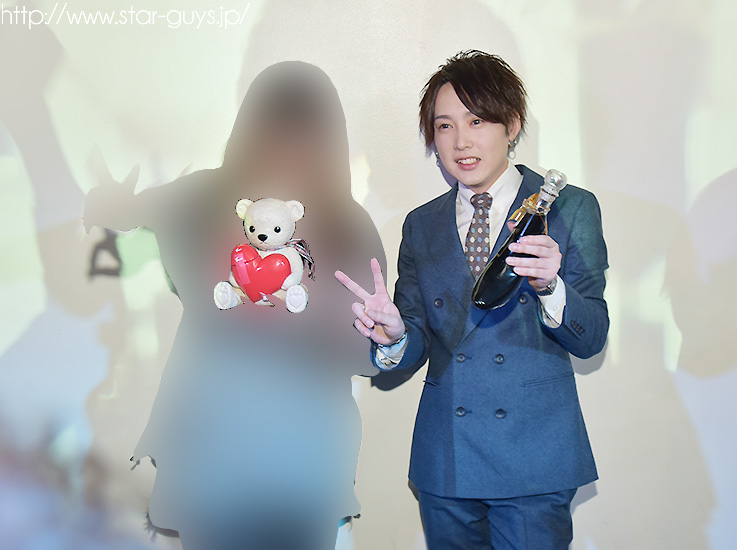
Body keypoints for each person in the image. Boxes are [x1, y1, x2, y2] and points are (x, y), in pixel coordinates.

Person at [84, 61, 383, 550]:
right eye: (273, 130)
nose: (287, 148)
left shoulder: (347, 224)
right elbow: (134, 209)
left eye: (304, 135)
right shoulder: (205, 196)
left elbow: (366, 355)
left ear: (328, 143)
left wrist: (373, 335)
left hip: (304, 463)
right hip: (214, 453)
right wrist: (109, 202)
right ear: (248, 131)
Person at [335, 50, 609, 549]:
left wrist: (552, 287)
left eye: (477, 120)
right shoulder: (421, 224)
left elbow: (592, 337)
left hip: (535, 454)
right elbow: (416, 337)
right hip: (448, 457)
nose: (460, 141)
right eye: (445, 125)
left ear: (512, 124)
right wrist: (394, 336)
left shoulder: (568, 207)